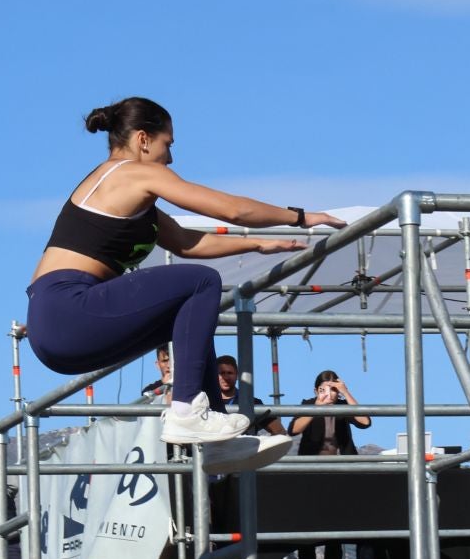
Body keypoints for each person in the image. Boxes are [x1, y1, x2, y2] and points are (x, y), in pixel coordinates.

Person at [25, 97, 344, 445]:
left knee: (189, 315)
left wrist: (256, 244)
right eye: (168, 145)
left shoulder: (130, 197)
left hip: (56, 330)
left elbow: (187, 242)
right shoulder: (130, 173)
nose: (171, 158)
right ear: (143, 139)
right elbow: (231, 210)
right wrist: (301, 218)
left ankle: (218, 436)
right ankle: (186, 413)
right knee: (201, 282)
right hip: (68, 308)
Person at [288, 370, 374, 559]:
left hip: (340, 471)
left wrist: (346, 392)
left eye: (333, 390)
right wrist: (317, 407)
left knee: (336, 524)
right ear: (315, 390)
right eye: (323, 389)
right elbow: (293, 429)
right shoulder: (308, 404)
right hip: (312, 473)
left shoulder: (343, 407)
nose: (329, 394)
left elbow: (365, 421)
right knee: (308, 524)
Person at [214, 353, 286, 436]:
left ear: (237, 375)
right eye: (222, 373)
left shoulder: (252, 402)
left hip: (243, 447)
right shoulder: (207, 402)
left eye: (230, 373)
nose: (226, 377)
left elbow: (280, 431)